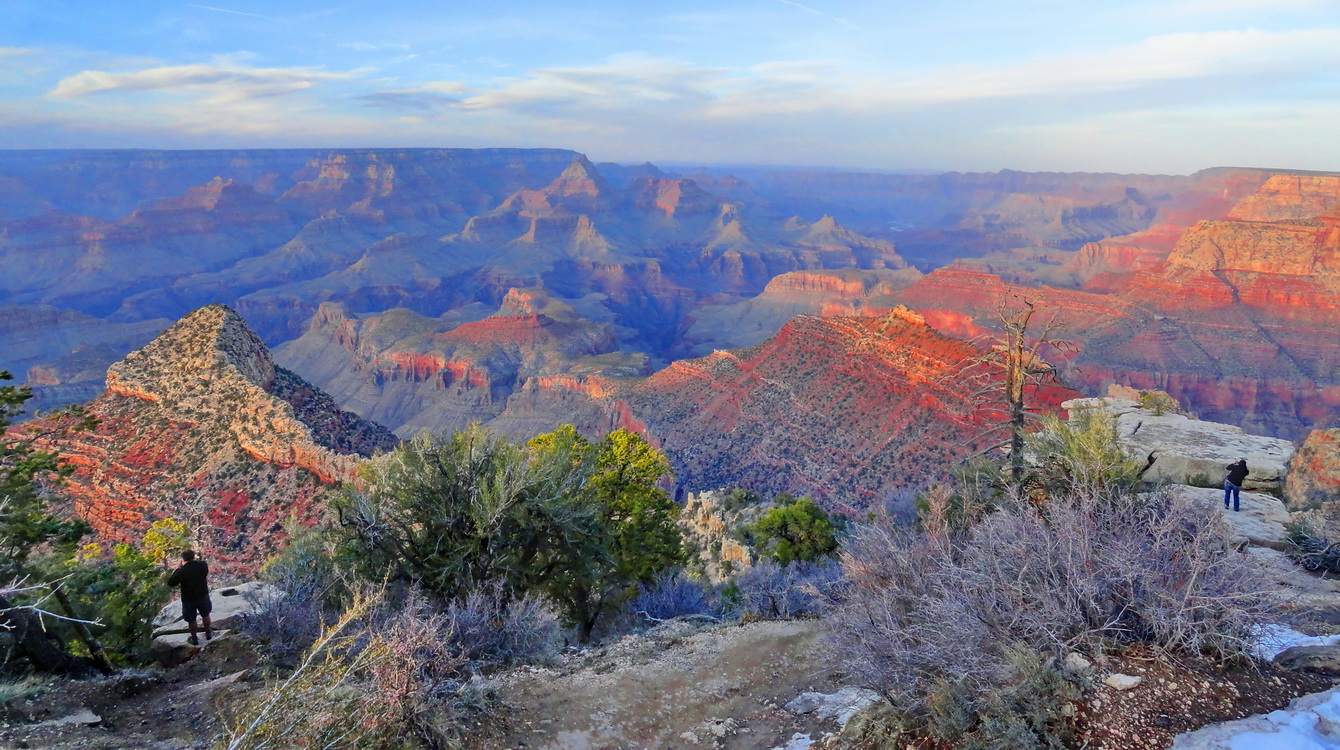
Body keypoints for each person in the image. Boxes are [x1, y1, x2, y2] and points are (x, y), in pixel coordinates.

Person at [167, 550, 212, 646]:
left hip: (189, 598)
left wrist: (178, 569)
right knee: (206, 614)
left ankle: (194, 638)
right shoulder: (203, 565)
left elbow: (171, 582)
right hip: (202, 594)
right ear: (193, 556)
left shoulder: (183, 571)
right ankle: (208, 633)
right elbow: (205, 573)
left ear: (183, 559)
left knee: (191, 620)